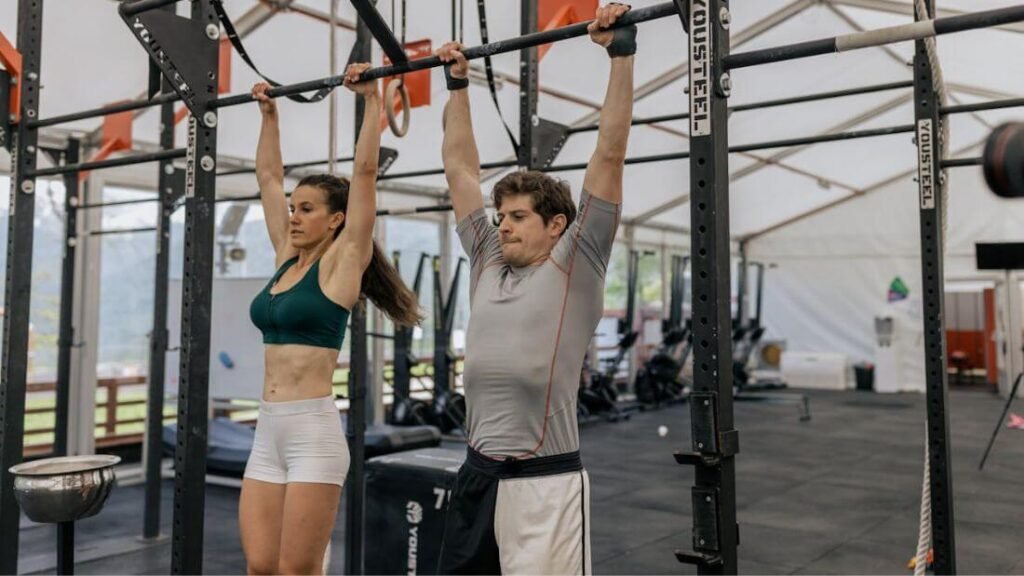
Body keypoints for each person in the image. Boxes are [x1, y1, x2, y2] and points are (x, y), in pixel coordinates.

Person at [435, 3, 636, 574]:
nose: (503, 224)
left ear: (556, 225)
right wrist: (457, 85)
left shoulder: (578, 261)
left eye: (518, 216)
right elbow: (459, 170)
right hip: (476, 474)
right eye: (502, 215)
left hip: (543, 484)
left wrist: (620, 55)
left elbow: (611, 152)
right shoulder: (487, 259)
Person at [240, 65, 420, 575]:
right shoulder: (283, 255)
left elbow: (363, 175)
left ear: (336, 219)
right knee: (259, 566)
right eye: (292, 208)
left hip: (312, 434)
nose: (293, 216)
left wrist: (370, 101)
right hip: (267, 430)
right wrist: (269, 115)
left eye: (307, 209)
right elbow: (269, 178)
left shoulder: (343, 265)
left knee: (297, 571)